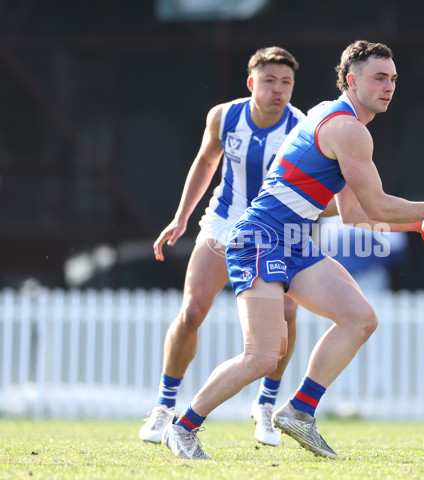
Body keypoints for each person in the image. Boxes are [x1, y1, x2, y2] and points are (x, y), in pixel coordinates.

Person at [161, 40, 424, 461]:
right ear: (352, 80)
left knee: (360, 318)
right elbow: (378, 205)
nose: (389, 87)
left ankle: (300, 411)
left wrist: (422, 224)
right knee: (261, 356)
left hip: (292, 240)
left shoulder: (332, 116)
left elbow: (355, 214)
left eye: (394, 79)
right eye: (379, 78)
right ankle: (182, 428)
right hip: (259, 237)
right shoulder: (348, 130)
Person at [139, 46, 306, 447]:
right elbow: (205, 162)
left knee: (286, 312)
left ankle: (266, 404)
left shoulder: (301, 126)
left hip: (275, 229)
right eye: (269, 81)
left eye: (286, 82)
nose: (278, 90)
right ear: (251, 83)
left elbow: (307, 187)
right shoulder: (224, 116)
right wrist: (181, 218)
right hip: (223, 224)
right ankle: (164, 408)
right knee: (193, 310)